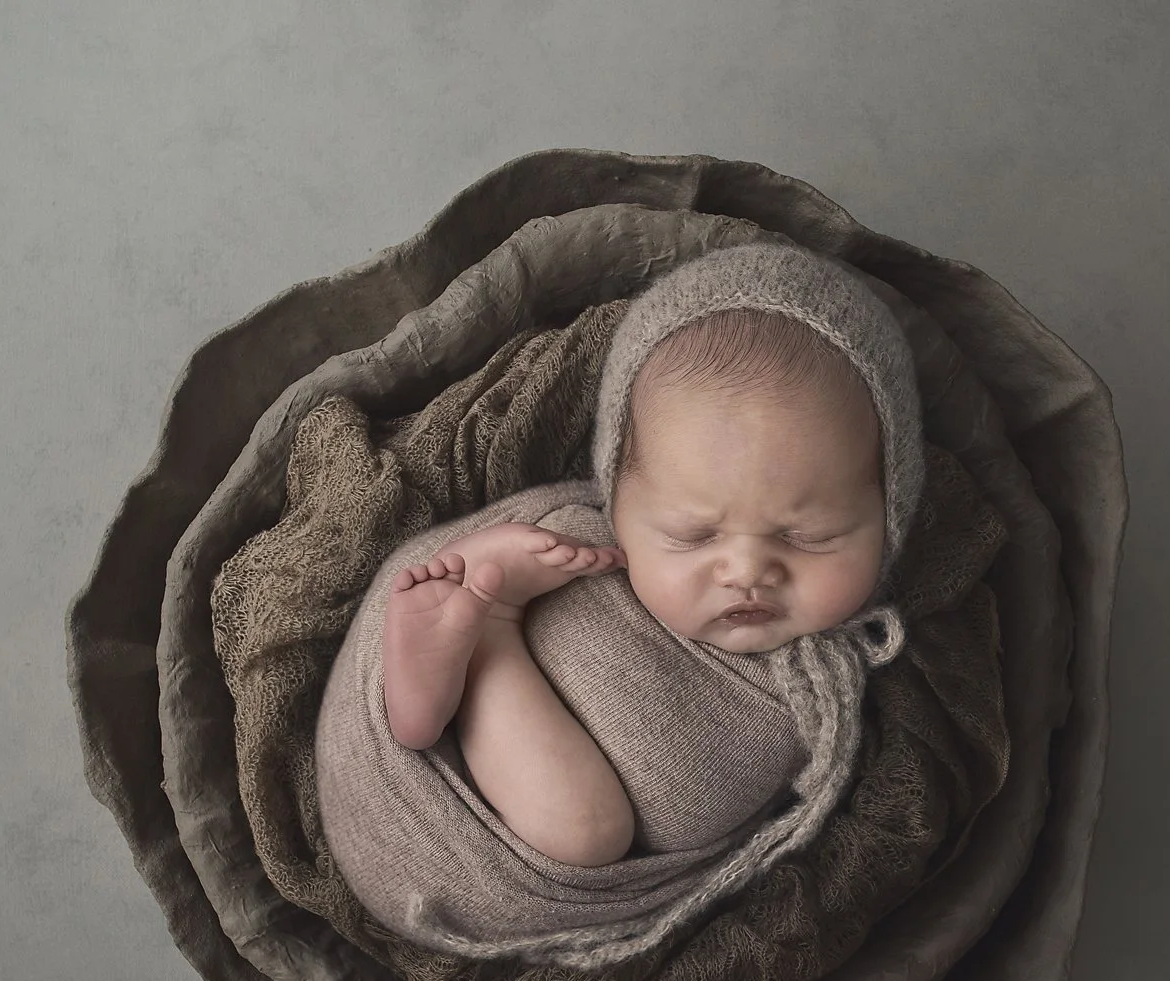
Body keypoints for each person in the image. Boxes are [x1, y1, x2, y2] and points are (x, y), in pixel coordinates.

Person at [378, 243, 920, 869]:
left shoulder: (841, 686)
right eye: (693, 536)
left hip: (528, 811)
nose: (745, 572)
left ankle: (459, 671)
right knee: (589, 832)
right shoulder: (576, 542)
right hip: (475, 728)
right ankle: (486, 637)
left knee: (651, 819)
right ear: (618, 499)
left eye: (808, 536)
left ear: (889, 514)